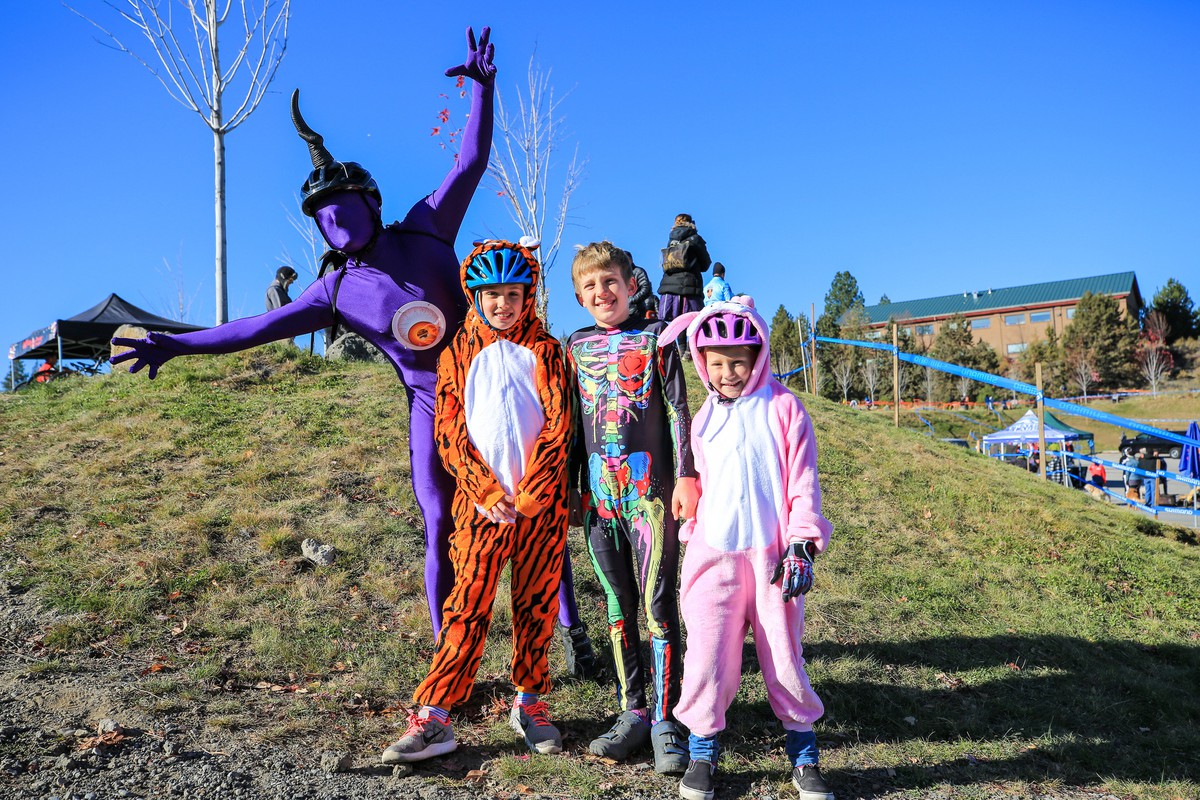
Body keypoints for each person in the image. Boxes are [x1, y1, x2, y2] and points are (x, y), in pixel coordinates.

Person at [108, 29, 597, 674]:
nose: (333, 224)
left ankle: (569, 628)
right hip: (434, 404)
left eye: (342, 209)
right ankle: (448, 649)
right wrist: (174, 344)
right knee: (439, 517)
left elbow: (470, 161)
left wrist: (482, 89)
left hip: (505, 382)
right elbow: (254, 329)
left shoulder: (425, 226)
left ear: (371, 203)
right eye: (322, 219)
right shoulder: (333, 289)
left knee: (535, 501)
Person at [382, 239, 572, 763]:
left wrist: (536, 488)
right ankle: (436, 714)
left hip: (542, 507)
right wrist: (483, 489)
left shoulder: (550, 352)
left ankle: (530, 701)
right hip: (481, 507)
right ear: (474, 294)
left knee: (536, 606)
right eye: (491, 294)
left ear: (528, 295)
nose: (502, 304)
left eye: (513, 293)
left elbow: (559, 425)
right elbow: (448, 431)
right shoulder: (456, 353)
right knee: (467, 604)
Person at [658, 297, 834, 800]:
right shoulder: (704, 419)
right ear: (702, 363)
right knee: (707, 656)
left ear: (757, 356)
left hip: (772, 558)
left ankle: (804, 755)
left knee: (783, 655)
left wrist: (802, 543)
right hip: (713, 557)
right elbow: (703, 479)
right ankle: (702, 749)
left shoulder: (784, 408)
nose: (728, 372)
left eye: (738, 360)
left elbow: (804, 483)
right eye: (716, 362)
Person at [566, 241, 699, 774]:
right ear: (580, 296)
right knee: (617, 607)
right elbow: (574, 424)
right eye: (591, 286)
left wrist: (686, 476)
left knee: (657, 605)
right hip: (600, 498)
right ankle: (633, 712)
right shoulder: (572, 348)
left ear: (629, 285)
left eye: (610, 282)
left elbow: (678, 411)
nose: (602, 292)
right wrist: (576, 486)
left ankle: (668, 719)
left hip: (650, 497)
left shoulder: (656, 342)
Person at [658, 214, 712, 348]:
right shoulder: (696, 239)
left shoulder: (671, 240)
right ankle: (690, 350)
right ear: (691, 223)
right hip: (690, 285)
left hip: (670, 286)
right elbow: (706, 264)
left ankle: (681, 351)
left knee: (678, 320)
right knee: (695, 318)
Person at [626, 251, 659, 320]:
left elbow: (645, 287)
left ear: (631, 260)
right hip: (628, 308)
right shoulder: (620, 275)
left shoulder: (638, 271)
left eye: (627, 259)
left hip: (642, 306)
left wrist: (632, 299)